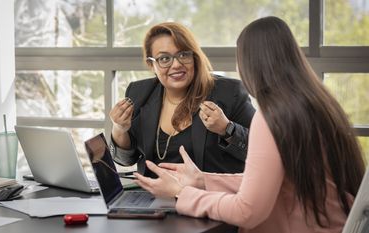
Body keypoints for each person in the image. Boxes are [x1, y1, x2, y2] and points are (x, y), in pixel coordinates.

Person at [134, 16, 366, 233]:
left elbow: (247, 211)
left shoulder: (272, 118)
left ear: (251, 64)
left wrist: (181, 193)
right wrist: (203, 180)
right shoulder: (314, 103)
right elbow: (273, 180)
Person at [109, 22, 255, 177]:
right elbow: (125, 160)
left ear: (194, 57)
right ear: (151, 65)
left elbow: (262, 151)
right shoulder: (139, 92)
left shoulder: (229, 92)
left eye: (183, 55)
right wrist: (119, 129)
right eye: (164, 58)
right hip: (152, 197)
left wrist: (226, 129)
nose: (177, 64)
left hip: (207, 197)